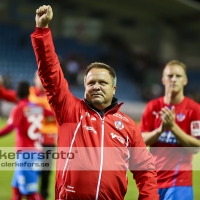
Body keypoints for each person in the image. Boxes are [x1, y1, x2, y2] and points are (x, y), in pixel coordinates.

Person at [30, 5, 159, 200]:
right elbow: (50, 73)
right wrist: (43, 32)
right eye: (91, 82)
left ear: (113, 88)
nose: (96, 86)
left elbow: (145, 170)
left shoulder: (128, 126)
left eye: (103, 82)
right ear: (84, 87)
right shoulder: (69, 110)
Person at [140, 60, 200, 200]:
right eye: (170, 75)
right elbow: (141, 141)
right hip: (152, 181)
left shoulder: (194, 110)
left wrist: (173, 127)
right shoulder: (153, 107)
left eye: (178, 76)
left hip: (179, 182)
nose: (174, 79)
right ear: (163, 79)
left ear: (185, 80)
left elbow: (196, 147)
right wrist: (160, 130)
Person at [0, 81, 52, 200]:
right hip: (37, 153)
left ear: (17, 94)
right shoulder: (37, 108)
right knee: (16, 188)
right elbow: (51, 114)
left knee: (31, 193)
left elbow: (10, 127)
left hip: (26, 154)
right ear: (29, 93)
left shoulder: (20, 108)